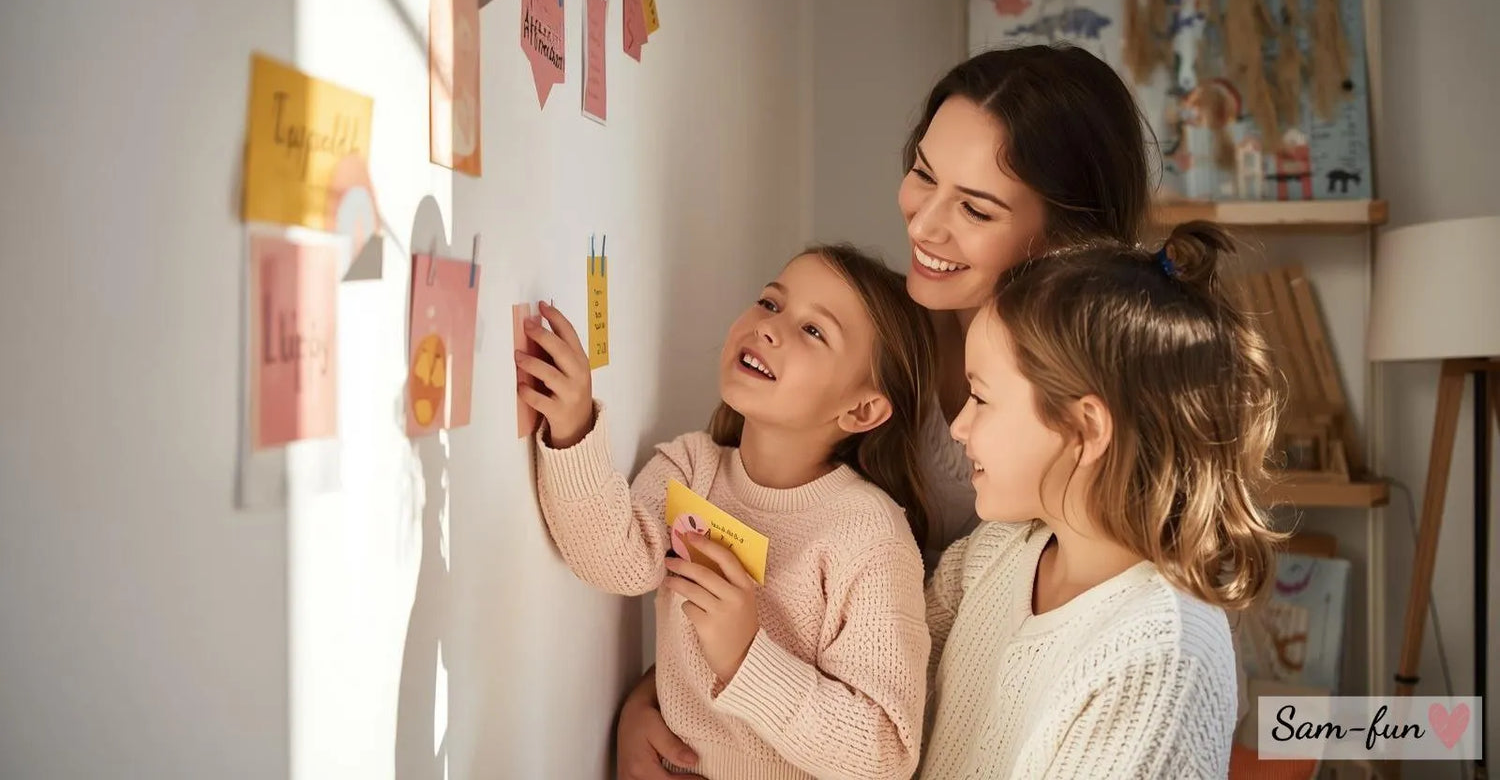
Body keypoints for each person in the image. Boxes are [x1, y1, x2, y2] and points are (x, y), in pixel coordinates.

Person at [617, 43, 1154, 780]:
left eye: (974, 207)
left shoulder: (1091, 424)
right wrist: (664, 695)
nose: (926, 227)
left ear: (1062, 237)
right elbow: (769, 535)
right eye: (924, 175)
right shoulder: (869, 337)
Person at [519, 244, 938, 780]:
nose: (770, 327)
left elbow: (884, 754)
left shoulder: (871, 534)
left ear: (861, 409)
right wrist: (573, 431)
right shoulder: (691, 466)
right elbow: (615, 562)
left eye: (814, 331)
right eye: (770, 303)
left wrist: (745, 656)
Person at [920, 221, 1282, 776]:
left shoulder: (1161, 659)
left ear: (1086, 427)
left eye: (981, 397)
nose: (960, 426)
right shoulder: (995, 553)